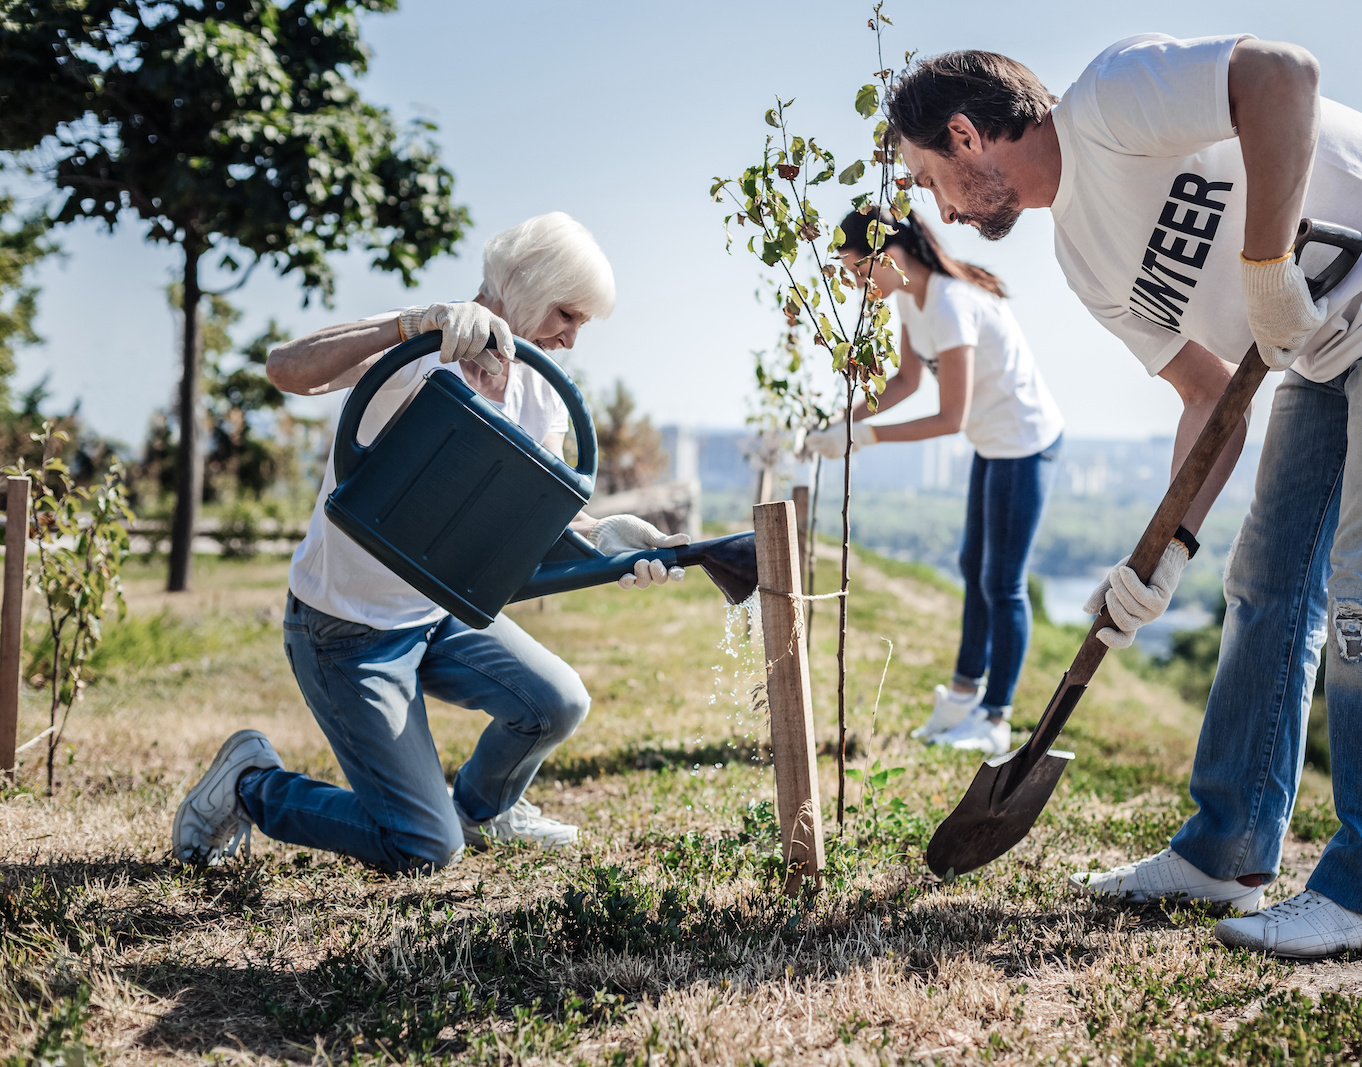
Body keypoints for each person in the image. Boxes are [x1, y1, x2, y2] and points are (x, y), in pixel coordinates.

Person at [886, 37, 1362, 958]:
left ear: (964, 136)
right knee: (1264, 587)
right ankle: (1224, 849)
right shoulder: (1084, 259)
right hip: (1320, 345)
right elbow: (1203, 395)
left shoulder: (1110, 103)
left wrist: (1266, 269)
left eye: (926, 178)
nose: (935, 206)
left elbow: (1282, 78)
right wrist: (1166, 554)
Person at [172, 212, 691, 872]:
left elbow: (545, 519)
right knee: (422, 847)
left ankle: (481, 811)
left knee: (556, 702)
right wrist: (411, 324)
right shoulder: (419, 352)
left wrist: (614, 540)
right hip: (347, 632)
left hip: (441, 614)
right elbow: (285, 369)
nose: (571, 337)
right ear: (529, 285)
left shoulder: (543, 397)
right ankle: (251, 785)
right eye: (567, 313)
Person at [806, 207, 1063, 757]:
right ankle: (964, 696)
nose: (854, 284)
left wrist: (865, 439)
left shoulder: (949, 303)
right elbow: (904, 380)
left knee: (1004, 583)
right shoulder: (909, 298)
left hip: (1024, 443)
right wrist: (846, 420)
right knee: (974, 567)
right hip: (993, 444)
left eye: (856, 270)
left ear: (890, 257)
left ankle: (996, 718)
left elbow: (949, 417)